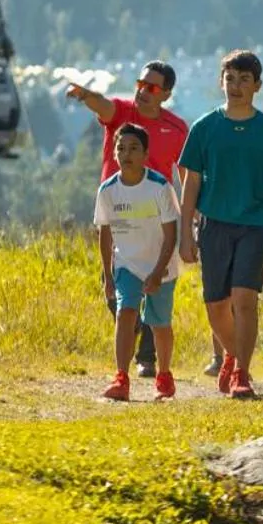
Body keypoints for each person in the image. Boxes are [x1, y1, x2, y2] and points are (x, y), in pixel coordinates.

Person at [178, 50, 263, 400]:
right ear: (220, 82)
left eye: (244, 80)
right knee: (216, 305)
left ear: (257, 85)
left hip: (255, 225)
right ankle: (231, 354)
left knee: (245, 299)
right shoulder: (204, 128)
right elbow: (191, 183)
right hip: (214, 224)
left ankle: (242, 372)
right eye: (230, 79)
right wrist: (185, 233)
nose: (236, 86)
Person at [68, 60, 188, 377]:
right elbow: (104, 105)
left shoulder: (177, 129)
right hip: (117, 214)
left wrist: (189, 218)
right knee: (118, 292)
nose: (143, 91)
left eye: (151, 87)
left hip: (156, 219)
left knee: (155, 285)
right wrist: (84, 94)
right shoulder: (123, 113)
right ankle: (130, 330)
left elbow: (186, 175)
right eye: (140, 84)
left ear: (166, 94)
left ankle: (147, 358)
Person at [94, 123, 179, 403]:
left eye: (133, 148)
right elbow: (105, 235)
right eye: (120, 148)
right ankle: (121, 376)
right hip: (126, 264)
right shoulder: (107, 191)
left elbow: (171, 235)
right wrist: (107, 275)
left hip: (161, 265)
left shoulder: (159, 187)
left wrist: (157, 272)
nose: (126, 154)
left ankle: (164, 374)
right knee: (125, 313)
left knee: (159, 324)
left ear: (145, 154)